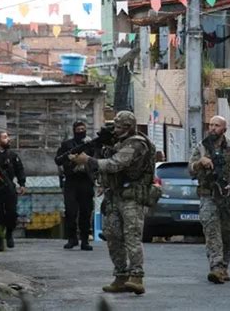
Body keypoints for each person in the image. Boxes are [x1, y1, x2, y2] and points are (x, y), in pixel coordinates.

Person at [70, 111, 156, 295]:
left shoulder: (137, 143)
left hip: (132, 197)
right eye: (114, 127)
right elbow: (106, 168)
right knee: (113, 235)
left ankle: (137, 276)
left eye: (119, 127)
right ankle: (120, 276)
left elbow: (114, 164)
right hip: (115, 196)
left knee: (132, 236)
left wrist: (89, 160)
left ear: (129, 127)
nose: (116, 130)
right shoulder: (117, 143)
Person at [188, 115, 230, 284]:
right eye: (211, 125)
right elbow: (190, 169)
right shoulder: (201, 147)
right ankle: (216, 267)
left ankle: (224, 266)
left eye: (217, 125)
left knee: (226, 235)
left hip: (228, 198)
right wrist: (200, 162)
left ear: (224, 129)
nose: (212, 128)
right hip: (208, 196)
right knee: (212, 232)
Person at [55, 121, 95, 251]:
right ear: (74, 130)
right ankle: (72, 238)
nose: (81, 131)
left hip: (86, 181)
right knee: (70, 211)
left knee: (86, 212)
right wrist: (70, 158)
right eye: (78, 129)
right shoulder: (67, 145)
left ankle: (84, 240)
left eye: (83, 129)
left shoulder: (90, 145)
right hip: (71, 181)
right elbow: (58, 159)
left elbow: (96, 160)